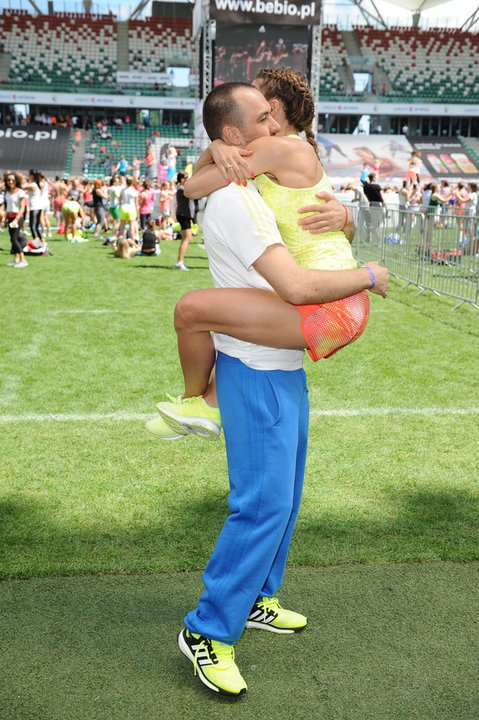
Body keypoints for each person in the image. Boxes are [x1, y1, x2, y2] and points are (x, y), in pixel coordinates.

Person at [147, 80, 388, 697]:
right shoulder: (236, 198)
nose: (274, 125)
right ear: (235, 137)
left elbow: (312, 222)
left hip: (281, 365)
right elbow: (297, 287)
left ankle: (256, 597)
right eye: (261, 118)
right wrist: (367, 276)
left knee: (284, 499)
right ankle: (208, 628)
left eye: (274, 114)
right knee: (261, 506)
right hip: (252, 366)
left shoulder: (256, 182)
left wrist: (349, 218)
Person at [4, 172, 28, 268]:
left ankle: (23, 260)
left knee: (14, 238)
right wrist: (4, 219)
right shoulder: (7, 192)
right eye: (9, 180)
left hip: (18, 217)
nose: (11, 182)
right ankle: (16, 259)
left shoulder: (20, 192)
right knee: (12, 239)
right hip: (10, 217)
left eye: (13, 180)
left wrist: (16, 219)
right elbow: (8, 207)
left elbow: (22, 207)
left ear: (16, 181)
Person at [172, 172, 194, 271]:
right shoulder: (181, 189)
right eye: (186, 177)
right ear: (182, 179)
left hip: (184, 215)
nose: (188, 179)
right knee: (187, 238)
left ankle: (180, 261)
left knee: (186, 238)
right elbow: (192, 194)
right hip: (183, 215)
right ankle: (180, 262)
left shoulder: (181, 188)